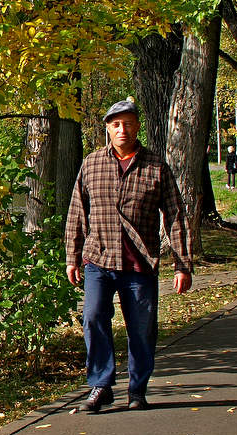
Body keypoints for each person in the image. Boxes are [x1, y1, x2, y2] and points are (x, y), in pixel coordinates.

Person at [65, 97, 192, 412]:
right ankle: (100, 386)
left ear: (137, 127)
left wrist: (182, 264)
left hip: (139, 264)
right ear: (108, 128)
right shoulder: (92, 163)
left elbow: (175, 215)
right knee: (93, 316)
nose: (123, 130)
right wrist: (72, 255)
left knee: (142, 328)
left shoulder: (155, 166)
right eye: (116, 124)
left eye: (128, 124)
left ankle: (138, 390)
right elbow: (77, 211)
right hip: (99, 260)